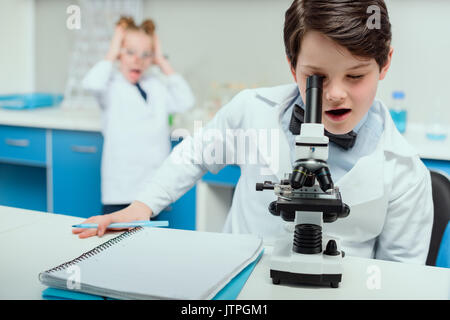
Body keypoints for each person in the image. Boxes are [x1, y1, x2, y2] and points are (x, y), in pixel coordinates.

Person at [74, 1, 433, 265]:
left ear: (384, 63)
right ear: (292, 66)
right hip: (240, 285)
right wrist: (142, 205)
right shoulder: (253, 110)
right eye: (317, 78)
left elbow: (401, 276)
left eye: (355, 76)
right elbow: (194, 154)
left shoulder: (405, 171)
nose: (336, 93)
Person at [81, 16, 195, 215]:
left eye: (146, 54)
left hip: (153, 190)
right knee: (115, 242)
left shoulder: (156, 86)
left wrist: (160, 60)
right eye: (130, 52)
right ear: (119, 54)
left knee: (150, 242)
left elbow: (186, 100)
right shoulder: (110, 87)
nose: (138, 60)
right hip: (120, 190)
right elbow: (91, 82)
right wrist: (113, 51)